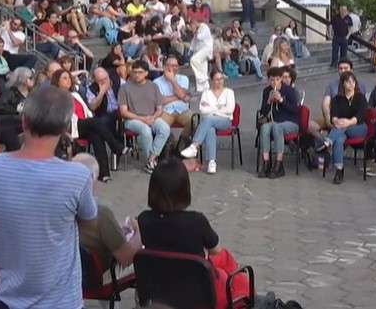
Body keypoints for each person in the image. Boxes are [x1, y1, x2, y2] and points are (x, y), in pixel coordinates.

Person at [0, 86, 99, 308]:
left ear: (24, 122)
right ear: (64, 127)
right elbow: (91, 227)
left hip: (8, 300)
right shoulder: (77, 176)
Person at [137, 157, 251, 309]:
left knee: (222, 260)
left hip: (160, 288)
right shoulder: (196, 221)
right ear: (184, 189)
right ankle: (249, 294)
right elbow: (215, 250)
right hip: (198, 292)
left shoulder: (143, 219)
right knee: (226, 263)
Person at [73, 154, 141, 280]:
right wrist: (138, 232)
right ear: (91, 178)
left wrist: (116, 231)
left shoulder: (58, 210)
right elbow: (127, 258)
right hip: (94, 278)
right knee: (144, 257)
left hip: (63, 276)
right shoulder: (100, 214)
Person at [180, 71, 236, 174]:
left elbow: (230, 110)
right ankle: (212, 162)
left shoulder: (229, 92)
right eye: (217, 79)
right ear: (212, 81)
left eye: (221, 79)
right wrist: (220, 108)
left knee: (208, 120)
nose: (220, 81)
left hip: (225, 121)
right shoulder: (206, 93)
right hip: (210, 122)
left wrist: (212, 109)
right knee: (210, 129)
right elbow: (203, 110)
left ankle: (194, 146)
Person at [321, 71, 367, 184]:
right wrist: (336, 120)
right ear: (343, 84)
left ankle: (328, 141)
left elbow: (361, 115)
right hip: (341, 129)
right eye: (348, 81)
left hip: (358, 127)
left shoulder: (360, 97)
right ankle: (339, 171)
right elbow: (334, 115)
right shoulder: (336, 99)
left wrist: (348, 122)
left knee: (341, 129)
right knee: (340, 140)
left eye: (353, 81)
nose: (351, 84)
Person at [257, 66, 299, 179]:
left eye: (277, 79)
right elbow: (263, 111)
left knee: (277, 128)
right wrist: (268, 101)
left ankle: (279, 164)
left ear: (281, 79)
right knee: (264, 128)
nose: (274, 82)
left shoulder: (289, 91)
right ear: (268, 80)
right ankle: (266, 163)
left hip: (290, 122)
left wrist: (281, 100)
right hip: (273, 121)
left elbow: (295, 110)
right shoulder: (267, 91)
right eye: (271, 80)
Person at [0, 67, 34, 152]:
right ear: (22, 79)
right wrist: (15, 109)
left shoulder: (32, 93)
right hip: (5, 124)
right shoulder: (10, 92)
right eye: (30, 78)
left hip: (22, 122)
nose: (33, 80)